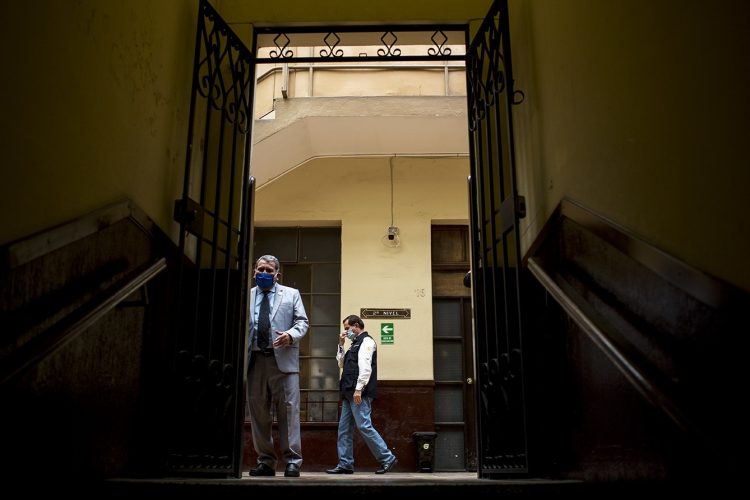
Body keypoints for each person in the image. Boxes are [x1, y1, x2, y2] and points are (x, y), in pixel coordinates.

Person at [246, 255, 309, 477]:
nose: (264, 273)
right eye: (260, 269)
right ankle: (266, 461)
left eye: (269, 270)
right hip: (254, 361)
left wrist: (291, 336)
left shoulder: (291, 295)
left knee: (289, 412)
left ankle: (293, 461)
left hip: (283, 361)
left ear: (277, 274)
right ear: (254, 272)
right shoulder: (247, 295)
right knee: (258, 414)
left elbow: (302, 322)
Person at [326, 314, 398, 475]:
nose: (346, 332)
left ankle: (387, 458)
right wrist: (341, 344)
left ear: (356, 325)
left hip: (358, 393)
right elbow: (341, 363)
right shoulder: (353, 344)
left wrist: (359, 389)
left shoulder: (367, 342)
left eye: (347, 328)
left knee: (364, 426)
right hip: (348, 392)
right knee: (344, 429)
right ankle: (345, 464)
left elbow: (366, 368)